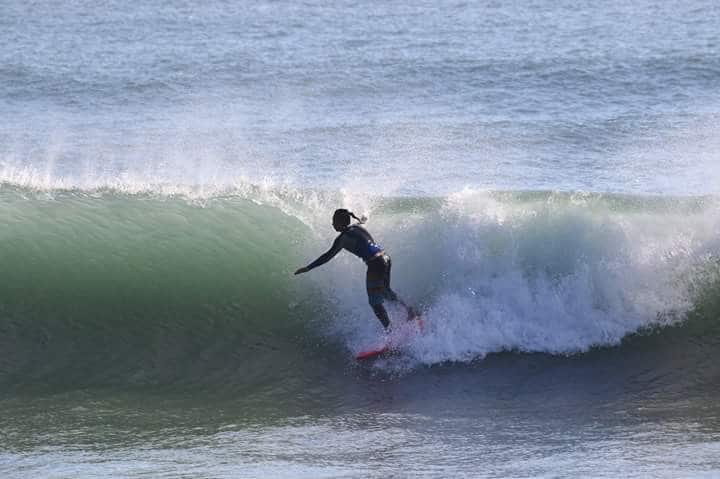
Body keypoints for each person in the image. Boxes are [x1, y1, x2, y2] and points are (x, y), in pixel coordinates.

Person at [294, 209, 417, 330]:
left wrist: (308, 267)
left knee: (375, 302)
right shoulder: (357, 227)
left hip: (375, 263)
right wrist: (364, 216)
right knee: (386, 292)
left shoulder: (342, 238)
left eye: (334, 221)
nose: (332, 224)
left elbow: (327, 256)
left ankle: (390, 331)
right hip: (385, 258)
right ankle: (410, 311)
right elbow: (362, 221)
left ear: (340, 222)